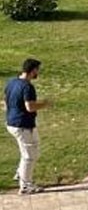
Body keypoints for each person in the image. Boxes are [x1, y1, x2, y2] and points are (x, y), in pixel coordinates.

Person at [6, 58, 47, 194]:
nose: (38, 72)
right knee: (28, 156)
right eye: (37, 70)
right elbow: (30, 107)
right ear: (32, 70)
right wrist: (44, 104)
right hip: (22, 126)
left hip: (15, 123)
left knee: (34, 148)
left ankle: (21, 172)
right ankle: (25, 186)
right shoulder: (27, 87)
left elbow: (6, 100)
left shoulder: (12, 82)